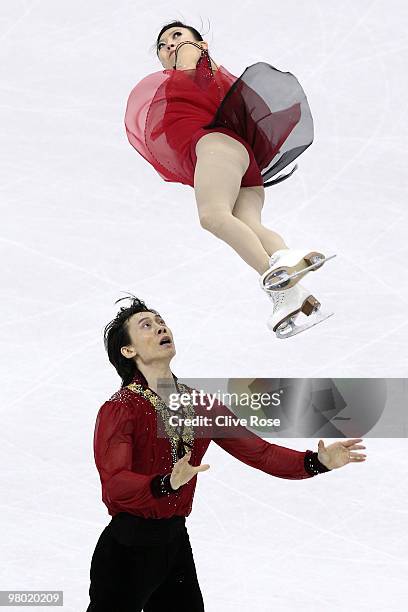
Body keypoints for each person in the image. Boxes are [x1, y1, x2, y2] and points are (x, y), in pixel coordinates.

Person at [85, 296, 367, 611]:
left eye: (160, 320)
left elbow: (261, 453)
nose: (160, 327)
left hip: (174, 547)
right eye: (146, 325)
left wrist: (316, 462)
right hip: (127, 549)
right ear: (129, 350)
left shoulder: (202, 406)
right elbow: (115, 482)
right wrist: (165, 483)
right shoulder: (120, 409)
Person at [124, 21, 336, 339]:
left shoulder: (192, 62)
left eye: (176, 36)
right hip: (243, 165)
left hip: (215, 148)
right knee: (249, 224)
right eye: (162, 44)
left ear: (201, 45)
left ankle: (278, 273)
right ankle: (292, 287)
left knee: (212, 216)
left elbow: (190, 56)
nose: (169, 44)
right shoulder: (204, 79)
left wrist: (186, 49)